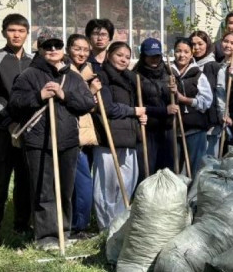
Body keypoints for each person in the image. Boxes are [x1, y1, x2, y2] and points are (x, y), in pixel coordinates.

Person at [8, 30, 95, 250]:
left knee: (65, 190)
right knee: (44, 190)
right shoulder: (29, 75)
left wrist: (64, 95)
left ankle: (63, 233)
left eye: (57, 45)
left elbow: (87, 103)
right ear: (40, 49)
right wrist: (39, 96)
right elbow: (15, 104)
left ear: (63, 49)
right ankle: (46, 237)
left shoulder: (73, 77)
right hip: (38, 142)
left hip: (68, 141)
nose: (53, 50)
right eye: (48, 46)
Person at [0, 13, 33, 251]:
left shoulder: (34, 62)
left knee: (25, 181)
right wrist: (9, 122)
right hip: (2, 132)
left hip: (28, 132)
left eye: (21, 31)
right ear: (3, 33)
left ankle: (21, 226)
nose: (16, 35)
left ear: (27, 33)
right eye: (12, 30)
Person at [92, 41, 145, 230]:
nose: (124, 59)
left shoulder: (132, 79)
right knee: (107, 185)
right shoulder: (102, 77)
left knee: (128, 182)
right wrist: (133, 111)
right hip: (109, 138)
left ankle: (120, 223)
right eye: (119, 55)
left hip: (129, 137)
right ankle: (105, 226)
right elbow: (107, 108)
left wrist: (140, 116)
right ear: (109, 55)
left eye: (127, 57)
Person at [65, 34, 101, 237]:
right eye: (77, 49)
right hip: (71, 134)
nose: (82, 53)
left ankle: (78, 225)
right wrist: (90, 91)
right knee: (82, 184)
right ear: (69, 49)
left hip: (86, 134)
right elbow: (72, 101)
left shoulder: (88, 71)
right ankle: (76, 226)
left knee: (81, 183)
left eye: (86, 50)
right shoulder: (64, 72)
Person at [171, 38, 213, 176]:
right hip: (173, 130)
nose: (182, 55)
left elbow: (206, 102)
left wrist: (184, 100)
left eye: (186, 52)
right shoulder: (167, 73)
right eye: (178, 51)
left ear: (191, 54)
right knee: (173, 171)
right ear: (173, 52)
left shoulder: (198, 74)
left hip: (195, 129)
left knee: (195, 171)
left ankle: (193, 191)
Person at [133, 38, 174, 176]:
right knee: (147, 170)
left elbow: (174, 101)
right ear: (143, 56)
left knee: (167, 171)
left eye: (157, 55)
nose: (154, 59)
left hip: (167, 129)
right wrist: (162, 111)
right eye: (150, 56)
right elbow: (135, 104)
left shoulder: (169, 74)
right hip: (147, 129)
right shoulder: (136, 76)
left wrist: (176, 92)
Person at [190, 30, 222, 157]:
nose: (196, 48)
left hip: (210, 122)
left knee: (209, 161)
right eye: (193, 44)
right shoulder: (188, 66)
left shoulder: (214, 66)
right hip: (193, 122)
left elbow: (219, 94)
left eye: (200, 44)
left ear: (207, 45)